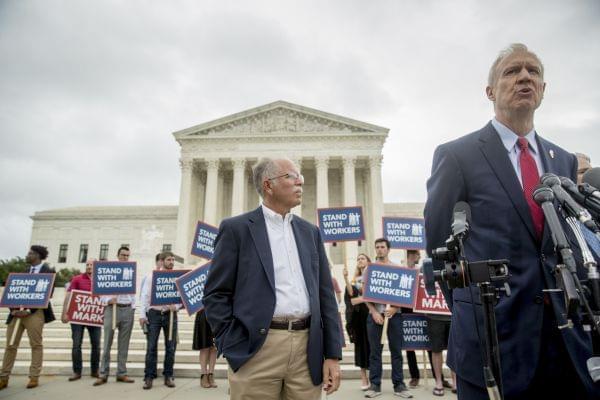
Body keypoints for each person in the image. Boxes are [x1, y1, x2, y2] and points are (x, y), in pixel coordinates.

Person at [424, 43, 600, 399]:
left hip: (562, 339)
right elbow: (439, 248)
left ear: (543, 90)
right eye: (512, 71)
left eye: (533, 72)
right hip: (493, 340)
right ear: (490, 91)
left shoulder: (562, 160)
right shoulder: (457, 155)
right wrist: (471, 306)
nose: (524, 77)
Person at [203, 157, 342, 400]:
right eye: (291, 176)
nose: (300, 181)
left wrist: (332, 353)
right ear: (268, 185)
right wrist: (230, 341)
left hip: (306, 349)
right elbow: (216, 293)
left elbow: (325, 295)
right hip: (257, 349)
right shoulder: (236, 229)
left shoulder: (310, 232)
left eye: (300, 176)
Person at [0, 246, 56, 390]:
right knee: (10, 345)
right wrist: (13, 310)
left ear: (38, 255)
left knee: (36, 345)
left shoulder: (48, 272)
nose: (27, 255)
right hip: (16, 314)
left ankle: (34, 377)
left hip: (35, 313)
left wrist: (29, 310)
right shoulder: (22, 272)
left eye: (30, 253)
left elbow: (47, 295)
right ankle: (4, 377)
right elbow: (12, 292)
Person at [363, 238, 412, 398]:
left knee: (396, 351)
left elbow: (405, 294)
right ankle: (375, 385)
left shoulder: (397, 268)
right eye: (377, 247)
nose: (379, 249)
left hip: (394, 317)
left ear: (388, 249)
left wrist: (395, 308)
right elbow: (365, 296)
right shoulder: (369, 269)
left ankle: (399, 385)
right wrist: (374, 312)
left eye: (382, 247)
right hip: (375, 317)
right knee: (375, 352)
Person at [94, 246, 136, 386]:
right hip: (112, 309)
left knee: (124, 345)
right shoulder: (109, 270)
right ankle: (103, 373)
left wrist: (133, 308)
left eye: (127, 255)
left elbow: (134, 293)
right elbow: (99, 292)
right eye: (123, 255)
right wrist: (107, 300)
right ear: (118, 255)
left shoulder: (131, 271)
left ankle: (121, 373)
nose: (125, 257)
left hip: (127, 310)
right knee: (107, 343)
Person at [139, 251, 179, 389]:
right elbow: (144, 296)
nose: (172, 262)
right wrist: (142, 315)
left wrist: (177, 306)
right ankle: (149, 377)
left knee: (171, 347)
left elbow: (181, 296)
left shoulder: (177, 277)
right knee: (151, 347)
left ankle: (168, 376)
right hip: (154, 314)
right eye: (169, 260)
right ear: (162, 261)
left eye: (173, 260)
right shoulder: (152, 276)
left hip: (170, 315)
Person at [61, 258, 101, 381]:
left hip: (94, 317)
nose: (89, 266)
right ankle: (77, 372)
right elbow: (68, 295)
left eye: (92, 265)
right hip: (77, 317)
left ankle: (95, 371)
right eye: (87, 264)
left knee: (96, 345)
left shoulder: (101, 279)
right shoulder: (77, 279)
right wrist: (65, 313)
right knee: (76, 344)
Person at [343, 253, 371, 390]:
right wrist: (346, 278)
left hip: (371, 314)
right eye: (358, 259)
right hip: (358, 318)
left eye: (363, 258)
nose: (360, 260)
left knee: (372, 347)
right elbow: (351, 295)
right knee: (360, 348)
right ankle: (363, 378)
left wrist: (360, 299)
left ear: (368, 261)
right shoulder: (354, 280)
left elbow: (370, 295)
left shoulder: (372, 276)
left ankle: (373, 377)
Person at [402, 250, 421, 389]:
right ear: (409, 256)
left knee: (429, 345)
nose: (418, 257)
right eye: (416, 255)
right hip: (406, 309)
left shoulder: (421, 271)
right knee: (409, 345)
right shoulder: (402, 271)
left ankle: (439, 376)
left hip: (422, 309)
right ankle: (414, 376)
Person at [193, 308, 217, 389]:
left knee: (214, 347)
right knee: (204, 347)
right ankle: (204, 375)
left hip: (216, 313)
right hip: (203, 313)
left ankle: (211, 374)